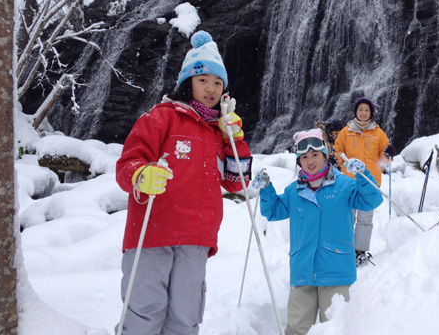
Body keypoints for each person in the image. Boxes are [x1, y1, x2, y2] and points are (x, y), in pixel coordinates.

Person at [115, 30, 252, 335]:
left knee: (185, 317)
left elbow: (236, 181)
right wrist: (141, 174)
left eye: (218, 83)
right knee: (143, 314)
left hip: (196, 237)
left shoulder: (221, 131)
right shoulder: (162, 117)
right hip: (153, 232)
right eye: (203, 80)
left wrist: (236, 141)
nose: (211, 88)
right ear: (187, 83)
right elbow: (126, 164)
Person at [255, 129, 383, 335]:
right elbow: (273, 211)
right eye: (304, 157)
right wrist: (266, 189)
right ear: (298, 162)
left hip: (337, 271)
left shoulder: (345, 185)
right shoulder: (293, 191)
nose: (310, 160)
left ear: (325, 156)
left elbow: (372, 200)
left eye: (315, 155)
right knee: (297, 329)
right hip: (302, 271)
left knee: (335, 328)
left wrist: (362, 175)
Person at [333, 97, 396, 266]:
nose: (363, 113)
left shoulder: (378, 133)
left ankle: (360, 251)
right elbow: (337, 151)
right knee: (347, 217)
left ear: (371, 113)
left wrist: (389, 153)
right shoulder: (346, 132)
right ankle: (345, 248)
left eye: (366, 110)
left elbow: (384, 159)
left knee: (365, 219)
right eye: (360, 109)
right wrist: (344, 162)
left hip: (370, 182)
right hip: (349, 181)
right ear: (356, 112)